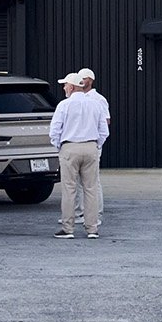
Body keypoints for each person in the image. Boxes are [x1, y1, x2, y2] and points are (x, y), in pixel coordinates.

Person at [50, 69, 109, 238]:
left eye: (66, 85)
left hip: (70, 147)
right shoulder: (95, 104)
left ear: (73, 86)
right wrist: (97, 145)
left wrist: (59, 147)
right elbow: (103, 130)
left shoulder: (64, 105)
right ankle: (92, 228)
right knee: (90, 188)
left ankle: (68, 228)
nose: (64, 88)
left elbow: (55, 130)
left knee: (69, 189)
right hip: (90, 147)